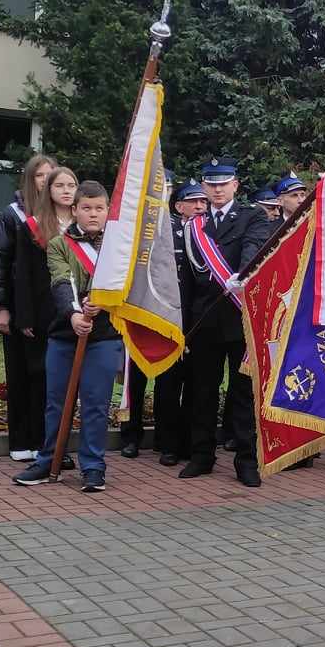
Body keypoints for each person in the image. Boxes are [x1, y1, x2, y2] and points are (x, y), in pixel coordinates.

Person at [14, 181, 123, 492]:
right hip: (65, 333)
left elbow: (126, 286)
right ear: (74, 210)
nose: (93, 214)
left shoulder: (119, 247)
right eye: (86, 208)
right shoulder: (59, 244)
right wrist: (74, 314)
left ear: (108, 211)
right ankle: (50, 459)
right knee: (56, 403)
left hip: (104, 336)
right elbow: (61, 281)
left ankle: (93, 466)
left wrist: (106, 303)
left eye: (99, 208)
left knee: (95, 404)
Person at [180, 157, 272, 486]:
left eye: (223, 183)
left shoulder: (252, 216)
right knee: (202, 391)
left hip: (240, 317)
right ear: (204, 187)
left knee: (242, 393)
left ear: (235, 185)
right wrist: (184, 326)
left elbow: (254, 247)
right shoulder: (194, 226)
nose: (217, 190)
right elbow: (187, 280)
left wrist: (241, 275)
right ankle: (201, 456)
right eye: (211, 184)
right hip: (204, 320)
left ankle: (246, 461)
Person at [0, 153, 57, 462]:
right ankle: (20, 441)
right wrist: (2, 307)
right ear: (30, 180)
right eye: (40, 175)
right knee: (20, 375)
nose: (45, 180)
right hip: (19, 306)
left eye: (50, 175)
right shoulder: (13, 215)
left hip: (51, 308)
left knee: (46, 376)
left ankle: (43, 440)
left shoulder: (61, 216)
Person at [10, 162, 76, 466]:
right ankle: (40, 444)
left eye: (71, 185)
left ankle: (60, 446)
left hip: (76, 314)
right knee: (42, 380)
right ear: (48, 190)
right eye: (59, 185)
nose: (66, 191)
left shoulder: (83, 225)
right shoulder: (33, 226)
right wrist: (24, 316)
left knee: (69, 385)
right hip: (42, 313)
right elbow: (22, 275)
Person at [146, 181, 204, 466]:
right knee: (168, 384)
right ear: (179, 206)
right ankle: (167, 443)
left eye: (203, 202)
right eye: (193, 202)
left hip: (200, 320)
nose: (199, 206)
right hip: (170, 317)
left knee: (196, 384)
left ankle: (189, 442)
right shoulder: (166, 233)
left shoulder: (210, 233)